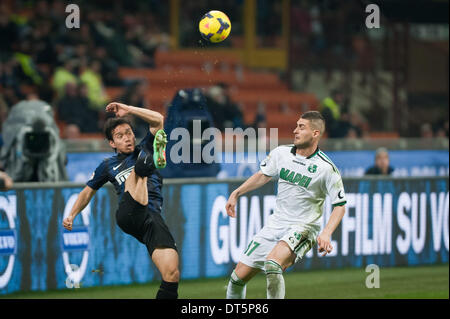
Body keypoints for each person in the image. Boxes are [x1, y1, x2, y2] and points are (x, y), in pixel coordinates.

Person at [62, 102, 180, 299]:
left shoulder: (142, 147)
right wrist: (72, 214)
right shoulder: (107, 166)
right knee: (144, 162)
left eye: (129, 132)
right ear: (112, 143)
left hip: (151, 219)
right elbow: (87, 192)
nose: (127, 138)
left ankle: (151, 162)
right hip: (129, 213)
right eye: (120, 136)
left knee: (171, 274)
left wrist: (129, 110)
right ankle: (154, 160)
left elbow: (158, 119)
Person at [225, 111, 347, 299]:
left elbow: (340, 205)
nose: (295, 130)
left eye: (301, 127)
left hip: (303, 227)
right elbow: (263, 175)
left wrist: (326, 233)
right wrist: (237, 192)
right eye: (296, 125)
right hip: (276, 224)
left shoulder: (326, 169)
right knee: (236, 279)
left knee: (273, 265)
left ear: (315, 134)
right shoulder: (281, 153)